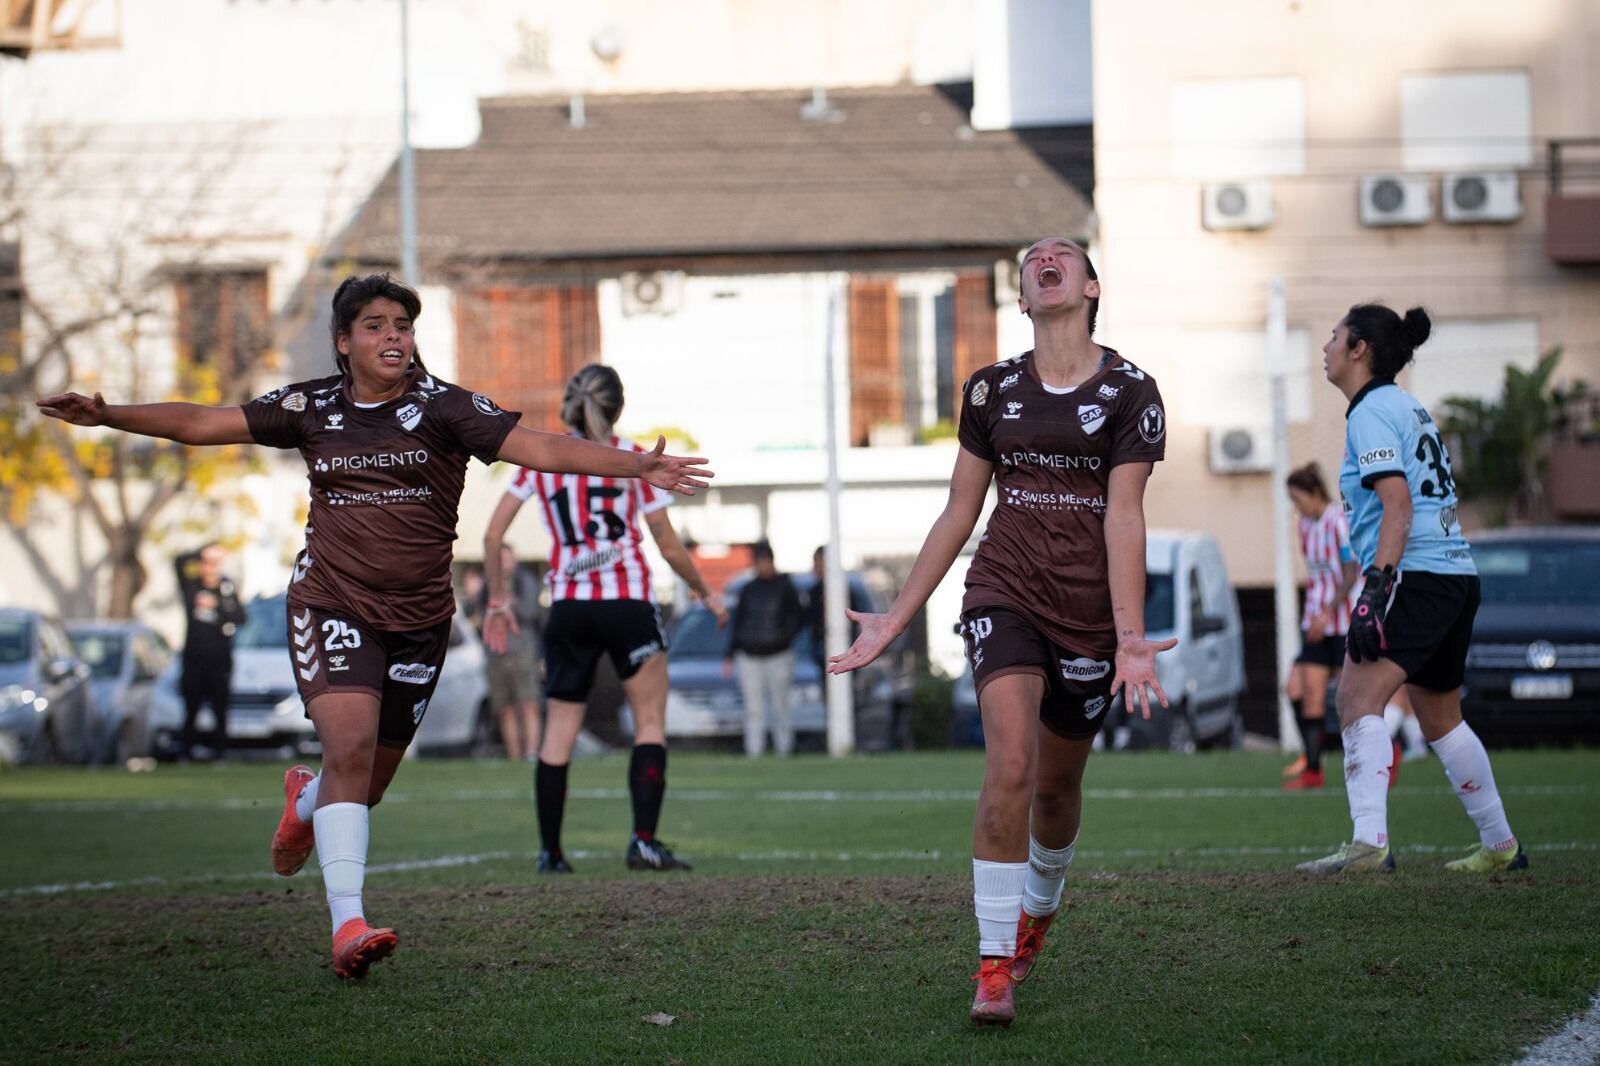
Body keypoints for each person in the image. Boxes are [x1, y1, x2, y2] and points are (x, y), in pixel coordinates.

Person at [37, 274, 712, 978]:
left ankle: (305, 800)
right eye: (375, 325)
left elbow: (541, 447)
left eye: (403, 325)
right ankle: (347, 925)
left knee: (364, 786)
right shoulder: (312, 406)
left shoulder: (447, 408)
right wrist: (111, 415)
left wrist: (636, 466)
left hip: (420, 621)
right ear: (344, 341)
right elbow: (208, 422)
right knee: (352, 751)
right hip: (333, 604)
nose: (393, 336)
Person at [829, 237, 1172, 1027]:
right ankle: (991, 970)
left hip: (1088, 614)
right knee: (1009, 766)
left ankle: (1036, 916)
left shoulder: (1131, 391)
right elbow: (961, 510)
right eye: (1032, 260)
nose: (1045, 261)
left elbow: (1126, 514)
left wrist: (1128, 636)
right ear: (1022, 295)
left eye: (1063, 255)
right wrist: (896, 616)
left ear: (1089, 285)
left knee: (1055, 791)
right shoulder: (990, 390)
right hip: (1004, 590)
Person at [1296, 303, 1526, 876]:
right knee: (1440, 717)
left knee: (1354, 697)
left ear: (1359, 350)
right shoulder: (1407, 406)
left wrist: (1375, 588)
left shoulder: (1371, 410)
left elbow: (1397, 504)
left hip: (1416, 575)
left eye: (1334, 335)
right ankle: (1501, 846)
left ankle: (1369, 844)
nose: (1325, 345)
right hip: (1455, 574)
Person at [482, 364, 727, 875]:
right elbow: (665, 543)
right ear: (618, 407)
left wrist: (498, 598)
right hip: (628, 604)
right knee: (650, 724)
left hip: (569, 606)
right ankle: (643, 842)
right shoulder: (637, 458)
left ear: (570, 404)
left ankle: (551, 853)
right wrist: (706, 592)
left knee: (558, 735)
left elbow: (491, 535)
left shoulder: (540, 459)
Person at [1280, 463, 1359, 789]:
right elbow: (1317, 576)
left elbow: (1350, 573)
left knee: (1352, 701)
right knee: (1297, 690)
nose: (1295, 505)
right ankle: (1313, 766)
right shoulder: (1304, 525)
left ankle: (1385, 752)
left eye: (1297, 498)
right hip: (1316, 621)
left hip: (1342, 623)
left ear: (1314, 493)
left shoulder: (1338, 522)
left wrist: (1327, 612)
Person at [722, 540, 806, 757]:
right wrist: (730, 654)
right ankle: (754, 751)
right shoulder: (748, 590)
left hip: (779, 654)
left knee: (780, 706)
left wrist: (782, 637)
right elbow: (738, 623)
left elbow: (797, 619)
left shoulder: (785, 587)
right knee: (754, 708)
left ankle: (784, 750)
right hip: (750, 655)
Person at [173, 544, 247, 760]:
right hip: (194, 660)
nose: (210, 568)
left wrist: (218, 606)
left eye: (214, 564)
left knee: (220, 708)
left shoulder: (225, 589)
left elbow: (241, 617)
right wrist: (203, 552)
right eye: (206, 564)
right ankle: (187, 752)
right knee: (191, 707)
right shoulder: (192, 587)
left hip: (220, 660)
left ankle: (220, 752)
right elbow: (178, 561)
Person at [480, 545, 545, 760]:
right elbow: (481, 613)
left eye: (506, 559)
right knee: (505, 708)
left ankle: (531, 752)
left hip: (522, 652)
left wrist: (508, 600)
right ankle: (514, 756)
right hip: (496, 654)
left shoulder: (524, 581)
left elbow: (531, 610)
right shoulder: (488, 584)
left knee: (528, 704)